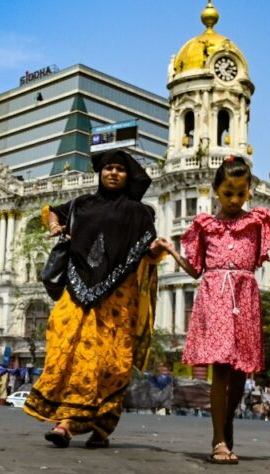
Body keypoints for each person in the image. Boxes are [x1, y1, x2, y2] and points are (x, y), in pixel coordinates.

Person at [161, 155, 270, 464]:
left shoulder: (259, 221)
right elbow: (195, 270)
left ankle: (226, 427)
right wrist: (172, 250)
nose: (234, 200)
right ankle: (218, 440)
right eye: (228, 193)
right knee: (222, 371)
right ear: (216, 190)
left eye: (240, 193)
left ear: (249, 191)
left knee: (241, 372)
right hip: (215, 299)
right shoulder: (205, 225)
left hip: (246, 299)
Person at [23, 150, 166, 448]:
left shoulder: (139, 213)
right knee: (66, 348)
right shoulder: (82, 204)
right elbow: (51, 210)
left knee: (112, 365)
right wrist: (54, 227)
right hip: (76, 291)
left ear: (129, 176)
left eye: (120, 169)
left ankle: (100, 427)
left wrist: (159, 249)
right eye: (108, 168)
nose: (113, 173)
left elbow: (147, 252)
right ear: (100, 173)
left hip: (117, 299)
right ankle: (65, 424)